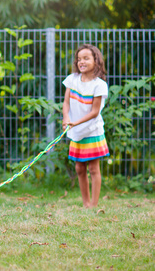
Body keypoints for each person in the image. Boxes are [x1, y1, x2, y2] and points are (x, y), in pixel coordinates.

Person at [62, 44, 109, 208]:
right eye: (79, 59)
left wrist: (74, 123)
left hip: (92, 131)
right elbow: (66, 102)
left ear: (96, 61)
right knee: (79, 168)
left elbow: (95, 112)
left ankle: (94, 206)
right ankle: (85, 203)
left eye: (86, 58)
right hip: (76, 132)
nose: (81, 62)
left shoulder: (99, 85)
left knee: (93, 169)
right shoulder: (72, 79)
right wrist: (66, 118)